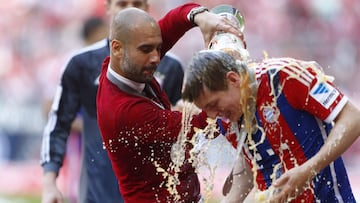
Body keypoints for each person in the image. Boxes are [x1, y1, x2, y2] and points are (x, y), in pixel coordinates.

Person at [96, 5, 242, 202]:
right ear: (116, 48)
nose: (156, 58)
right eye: (147, 50)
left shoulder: (123, 63)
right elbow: (204, 123)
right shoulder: (123, 111)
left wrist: (201, 17)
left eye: (158, 47)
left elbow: (174, 21)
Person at [181, 48, 360, 202]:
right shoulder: (226, 117)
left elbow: (353, 118)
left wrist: (309, 169)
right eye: (206, 109)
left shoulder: (286, 76)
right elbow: (252, 166)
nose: (213, 115)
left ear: (233, 79)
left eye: (213, 104)